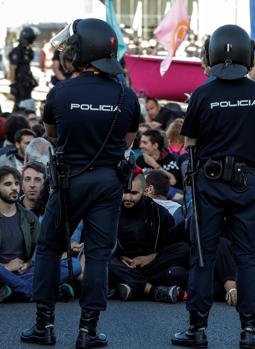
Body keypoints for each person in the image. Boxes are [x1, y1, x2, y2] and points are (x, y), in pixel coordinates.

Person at [22, 18, 140, 348]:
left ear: (81, 52)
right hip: (108, 182)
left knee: (48, 249)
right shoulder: (127, 96)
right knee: (99, 255)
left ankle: (43, 325)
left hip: (70, 179)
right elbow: (127, 142)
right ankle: (88, 331)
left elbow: (52, 136)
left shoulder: (60, 93)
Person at [172, 24, 255, 349]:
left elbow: (188, 142)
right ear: (246, 53)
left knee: (204, 256)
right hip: (247, 183)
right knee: (246, 258)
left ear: (213, 53)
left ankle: (197, 329)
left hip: (209, 184)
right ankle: (249, 330)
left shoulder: (203, 93)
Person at [0, 166, 79, 303]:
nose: (14, 188)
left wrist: (28, 263)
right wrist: (6, 267)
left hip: (26, 272)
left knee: (74, 265)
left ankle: (17, 289)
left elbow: (40, 250)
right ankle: (30, 290)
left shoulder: (29, 217)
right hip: (3, 272)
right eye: (8, 184)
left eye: (16, 184)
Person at [109, 173, 189, 304]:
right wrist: (119, 256)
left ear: (145, 191)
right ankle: (152, 290)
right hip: (123, 264)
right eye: (125, 192)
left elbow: (170, 243)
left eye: (134, 193)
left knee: (183, 249)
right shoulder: (112, 212)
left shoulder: (159, 213)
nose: (128, 198)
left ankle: (132, 284)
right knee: (105, 259)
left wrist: (151, 257)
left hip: (151, 263)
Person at [9, 27, 39, 109]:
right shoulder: (17, 51)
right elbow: (12, 68)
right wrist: (13, 84)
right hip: (19, 83)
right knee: (21, 105)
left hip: (26, 82)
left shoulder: (28, 51)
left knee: (25, 104)